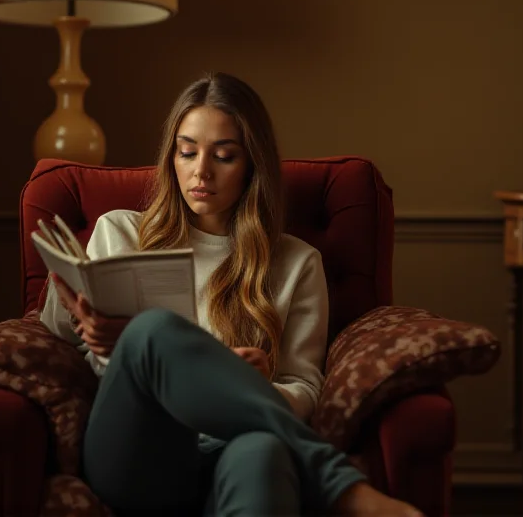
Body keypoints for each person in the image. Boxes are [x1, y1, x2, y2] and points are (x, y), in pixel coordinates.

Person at [40, 72, 422, 517]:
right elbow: (54, 331)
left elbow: (306, 386)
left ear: (251, 165)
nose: (201, 171)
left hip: (233, 444)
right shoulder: (118, 231)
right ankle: (339, 485)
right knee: (154, 330)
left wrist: (261, 387)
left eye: (223, 156)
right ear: (172, 158)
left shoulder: (297, 263)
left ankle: (316, 474)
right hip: (138, 452)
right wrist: (78, 311)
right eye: (187, 152)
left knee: (263, 452)